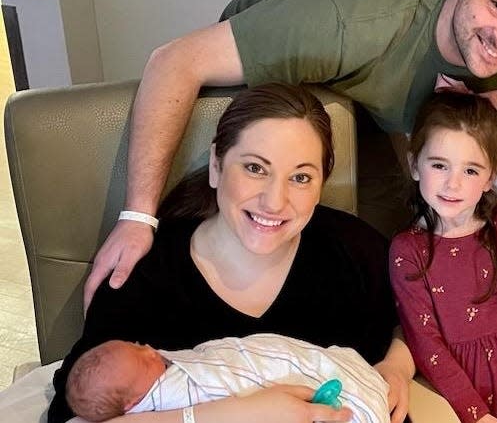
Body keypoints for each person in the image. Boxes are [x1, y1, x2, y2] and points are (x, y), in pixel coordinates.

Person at [83, 0, 497, 309]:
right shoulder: (344, 24)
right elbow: (175, 61)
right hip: (286, 56)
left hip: (376, 105)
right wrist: (137, 216)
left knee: (383, 253)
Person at [48, 83, 414, 423]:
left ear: (321, 182)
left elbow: (411, 322)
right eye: (255, 168)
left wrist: (398, 366)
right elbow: (74, 413)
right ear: (217, 166)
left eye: (300, 177)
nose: (275, 201)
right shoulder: (144, 273)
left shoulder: (355, 252)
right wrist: (235, 414)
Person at [389, 92, 497, 423]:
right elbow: (426, 345)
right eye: (439, 165)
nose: (453, 183)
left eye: (471, 171)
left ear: (490, 177)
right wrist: (477, 416)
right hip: (452, 404)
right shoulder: (407, 251)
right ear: (414, 165)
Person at [66, 334, 391, 423]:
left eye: (138, 345)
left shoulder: (351, 247)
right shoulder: (173, 392)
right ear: (134, 403)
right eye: (141, 357)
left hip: (338, 370)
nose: (150, 350)